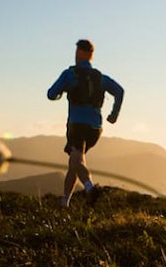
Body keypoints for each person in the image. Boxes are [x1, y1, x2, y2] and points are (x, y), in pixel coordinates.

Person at [47, 38, 124, 207]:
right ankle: (64, 202)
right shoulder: (100, 78)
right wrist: (114, 114)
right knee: (74, 163)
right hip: (96, 128)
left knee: (77, 161)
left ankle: (90, 188)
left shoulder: (70, 74)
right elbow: (119, 91)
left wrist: (62, 91)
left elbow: (51, 94)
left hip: (77, 124)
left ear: (79, 53)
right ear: (91, 56)